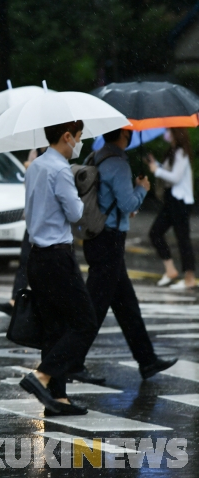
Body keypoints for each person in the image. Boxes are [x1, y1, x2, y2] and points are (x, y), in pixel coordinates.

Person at [81, 128, 177, 380]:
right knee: (95, 305)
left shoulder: (95, 157)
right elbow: (128, 204)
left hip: (97, 236)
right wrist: (142, 188)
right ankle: (68, 361)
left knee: (126, 304)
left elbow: (109, 200)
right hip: (110, 239)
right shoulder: (119, 164)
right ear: (124, 135)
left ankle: (146, 360)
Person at [19, 120, 98, 416]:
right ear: (66, 136)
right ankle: (40, 376)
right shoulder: (60, 169)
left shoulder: (36, 166)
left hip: (37, 256)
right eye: (78, 138)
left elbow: (30, 210)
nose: (79, 143)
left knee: (54, 327)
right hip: (58, 257)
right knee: (84, 322)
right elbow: (77, 213)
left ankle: (57, 399)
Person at [0, 147, 45, 315]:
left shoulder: (57, 156)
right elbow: (28, 186)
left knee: (44, 263)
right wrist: (30, 172)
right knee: (25, 260)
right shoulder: (34, 152)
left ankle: (45, 304)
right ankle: (16, 300)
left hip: (46, 220)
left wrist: (35, 169)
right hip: (33, 217)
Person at [147, 128, 196, 289]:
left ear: (176, 133)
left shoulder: (181, 152)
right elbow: (169, 172)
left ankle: (189, 277)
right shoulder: (173, 151)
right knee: (155, 232)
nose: (166, 133)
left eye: (169, 130)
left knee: (183, 238)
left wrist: (158, 171)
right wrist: (157, 166)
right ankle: (170, 270)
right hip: (171, 200)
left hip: (180, 200)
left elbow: (175, 177)